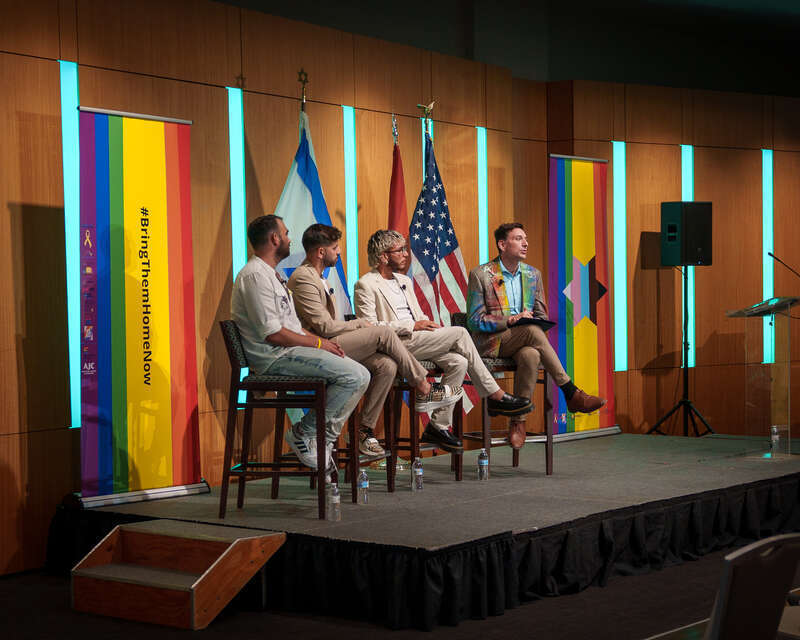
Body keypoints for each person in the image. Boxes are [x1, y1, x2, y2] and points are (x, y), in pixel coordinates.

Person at [288, 223, 463, 457]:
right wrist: (361, 324)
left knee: (386, 365)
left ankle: (364, 431)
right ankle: (424, 387)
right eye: (335, 247)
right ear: (321, 252)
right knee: (385, 333)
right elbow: (324, 327)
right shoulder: (304, 278)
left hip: (332, 342)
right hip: (317, 347)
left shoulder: (320, 277)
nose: (339, 252)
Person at [354, 230, 532, 453]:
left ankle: (438, 425)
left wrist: (425, 325)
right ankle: (493, 394)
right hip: (395, 345)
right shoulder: (366, 284)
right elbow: (369, 328)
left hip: (418, 340)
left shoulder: (404, 281)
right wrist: (412, 326)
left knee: (459, 362)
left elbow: (418, 317)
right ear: (382, 256)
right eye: (399, 250)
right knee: (459, 333)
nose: (406, 254)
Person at [231, 214, 371, 471]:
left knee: (360, 373)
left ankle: (320, 439)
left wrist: (321, 341)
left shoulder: (271, 275)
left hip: (289, 351)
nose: (289, 239)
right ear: (274, 238)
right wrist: (318, 345)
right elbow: (273, 333)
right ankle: (306, 434)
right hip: (273, 358)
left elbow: (294, 327)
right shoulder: (254, 276)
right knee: (354, 376)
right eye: (285, 233)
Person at [466, 222, 606, 449]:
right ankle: (570, 391)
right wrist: (509, 320)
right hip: (492, 343)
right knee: (531, 332)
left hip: (524, 339)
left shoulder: (533, 275)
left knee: (531, 354)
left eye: (526, 238)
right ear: (502, 244)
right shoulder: (481, 274)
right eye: (518, 238)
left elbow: (541, 315)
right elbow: (474, 320)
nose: (525, 243)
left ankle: (518, 423)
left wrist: (532, 318)